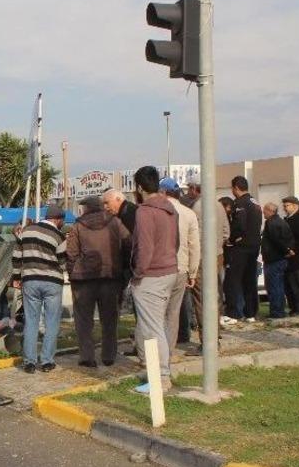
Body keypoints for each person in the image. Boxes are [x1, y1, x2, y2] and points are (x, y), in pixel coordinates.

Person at [129, 166, 178, 393]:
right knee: (159, 325)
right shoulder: (170, 209)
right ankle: (158, 372)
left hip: (151, 275)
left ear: (139, 187)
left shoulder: (144, 211)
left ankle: (161, 377)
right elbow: (175, 242)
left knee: (152, 329)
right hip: (169, 270)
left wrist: (138, 273)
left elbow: (144, 248)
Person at [66, 195, 129, 367]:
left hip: (84, 280)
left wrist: (73, 271)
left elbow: (71, 253)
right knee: (109, 319)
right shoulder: (115, 222)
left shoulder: (78, 226)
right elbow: (127, 242)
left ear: (86, 208)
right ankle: (109, 356)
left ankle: (87, 356)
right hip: (110, 278)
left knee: (84, 321)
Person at [12, 204, 67, 373]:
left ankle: (29, 362)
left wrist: (16, 278)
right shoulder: (59, 236)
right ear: (58, 220)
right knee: (51, 322)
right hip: (52, 282)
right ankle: (47, 362)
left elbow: (16, 256)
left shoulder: (26, 231)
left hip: (30, 280)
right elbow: (63, 262)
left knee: (31, 321)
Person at [187, 178, 228, 351]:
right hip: (217, 254)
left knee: (201, 299)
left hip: (203, 257)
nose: (188, 192)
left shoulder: (197, 207)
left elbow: (194, 237)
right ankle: (215, 332)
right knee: (215, 296)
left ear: (196, 189)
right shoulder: (218, 205)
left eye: (189, 188)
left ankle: (207, 342)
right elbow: (226, 232)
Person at [161, 178, 200, 356]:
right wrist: (193, 272)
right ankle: (168, 350)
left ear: (162, 192)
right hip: (181, 268)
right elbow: (194, 245)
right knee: (173, 313)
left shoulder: (154, 211)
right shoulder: (189, 213)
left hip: (159, 269)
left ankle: (156, 353)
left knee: (156, 313)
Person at [223, 176, 263, 323]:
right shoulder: (255, 202)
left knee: (232, 280)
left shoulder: (240, 203)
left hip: (241, 247)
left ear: (236, 188)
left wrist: (231, 239)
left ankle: (232, 313)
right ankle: (250, 313)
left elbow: (239, 224)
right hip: (254, 246)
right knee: (249, 280)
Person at [260, 202, 294, 320]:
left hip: (273, 259)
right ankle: (280, 310)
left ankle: (276, 311)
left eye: (264, 210)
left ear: (270, 211)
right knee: (279, 285)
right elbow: (288, 238)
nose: (263, 213)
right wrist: (288, 250)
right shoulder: (282, 222)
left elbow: (276, 240)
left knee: (273, 286)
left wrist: (286, 250)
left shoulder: (271, 223)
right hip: (281, 259)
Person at [281, 196, 299, 316]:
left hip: (298, 256)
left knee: (298, 283)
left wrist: (295, 251)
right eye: (284, 206)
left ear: (295, 206)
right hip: (288, 256)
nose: (285, 208)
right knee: (289, 283)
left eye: (287, 205)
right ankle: (293, 307)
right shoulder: (287, 220)